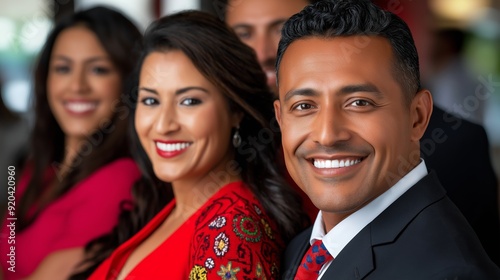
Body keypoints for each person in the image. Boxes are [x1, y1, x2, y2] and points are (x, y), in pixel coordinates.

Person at [223, 0, 500, 265]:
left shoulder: (447, 270)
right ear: (280, 118)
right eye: (304, 105)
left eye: (359, 103)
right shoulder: (303, 249)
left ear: (417, 117)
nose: (328, 134)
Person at [77, 10, 308, 279]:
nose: (163, 125)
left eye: (189, 101)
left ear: (235, 111)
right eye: (151, 101)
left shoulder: (230, 228)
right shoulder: (168, 211)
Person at [0, 7, 142, 280]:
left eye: (98, 69)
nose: (77, 85)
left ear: (128, 82)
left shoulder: (120, 179)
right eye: (63, 68)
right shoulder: (37, 170)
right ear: (46, 80)